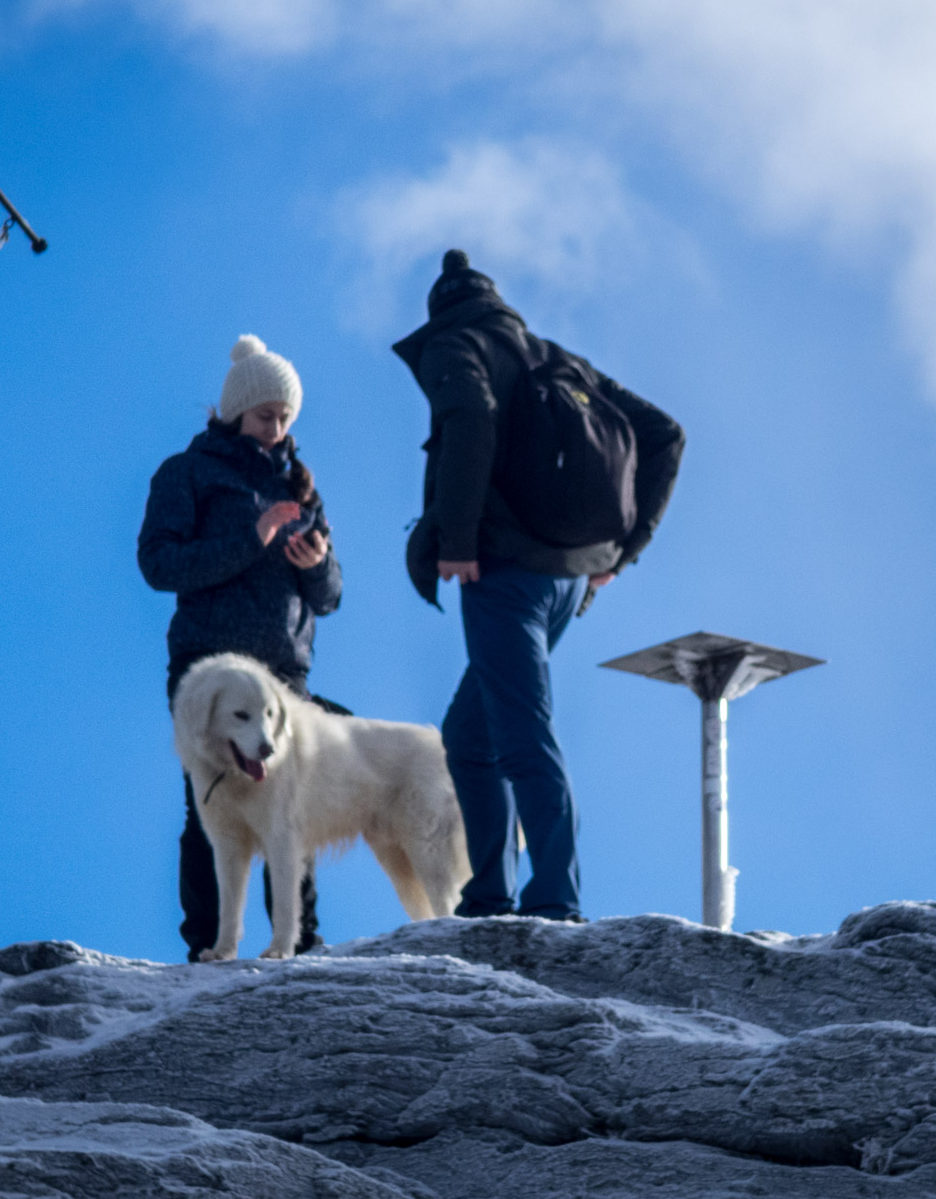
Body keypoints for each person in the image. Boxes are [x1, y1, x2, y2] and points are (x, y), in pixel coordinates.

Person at [392, 250, 684, 922]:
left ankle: (555, 898)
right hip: (567, 581)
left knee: (522, 731)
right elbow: (665, 435)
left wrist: (458, 542)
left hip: (503, 572)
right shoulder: (553, 356)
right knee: (470, 734)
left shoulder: (456, 345)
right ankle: (489, 893)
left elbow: (468, 420)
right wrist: (622, 552)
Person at [138, 334, 342, 961]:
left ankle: (299, 942)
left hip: (284, 673)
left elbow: (330, 597)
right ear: (233, 412)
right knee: (217, 798)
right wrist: (251, 539)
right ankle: (208, 944)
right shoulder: (187, 472)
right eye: (265, 415)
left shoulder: (301, 487)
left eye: (285, 417)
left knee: (289, 808)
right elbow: (159, 564)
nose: (276, 428)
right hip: (210, 671)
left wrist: (316, 563)